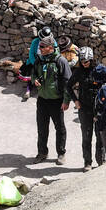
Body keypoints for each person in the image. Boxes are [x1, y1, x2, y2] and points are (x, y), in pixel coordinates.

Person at [29, 35, 72, 165]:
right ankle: (42, 152)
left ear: (50, 48)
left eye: (42, 47)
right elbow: (33, 74)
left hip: (56, 101)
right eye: (40, 47)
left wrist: (66, 101)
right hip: (42, 99)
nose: (40, 49)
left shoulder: (61, 61)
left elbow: (67, 82)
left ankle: (61, 153)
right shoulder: (39, 60)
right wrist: (34, 80)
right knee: (42, 128)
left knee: (60, 128)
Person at [70, 47, 98, 169]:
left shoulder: (98, 71)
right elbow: (68, 86)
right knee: (86, 137)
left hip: (98, 109)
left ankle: (101, 161)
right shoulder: (78, 72)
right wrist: (75, 100)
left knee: (100, 136)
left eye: (86, 61)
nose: (84, 64)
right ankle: (87, 162)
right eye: (82, 61)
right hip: (84, 109)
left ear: (91, 60)